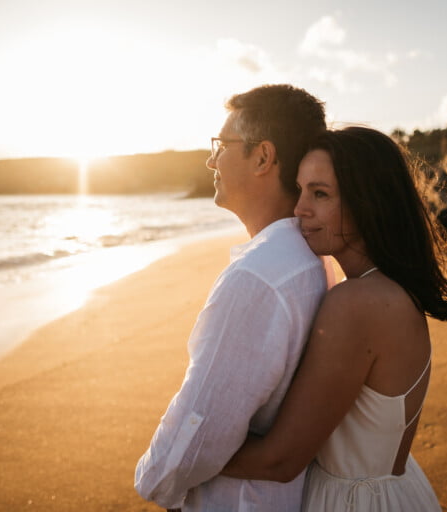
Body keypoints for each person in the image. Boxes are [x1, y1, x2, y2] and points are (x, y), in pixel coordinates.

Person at [220, 126, 447, 511]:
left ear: (368, 202)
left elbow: (279, 461)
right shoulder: (390, 287)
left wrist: (186, 462)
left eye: (320, 194)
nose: (300, 209)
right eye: (300, 190)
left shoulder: (357, 302)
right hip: (394, 488)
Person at [134, 84, 329, 511]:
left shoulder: (257, 278)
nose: (211, 159)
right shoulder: (310, 259)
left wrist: (152, 479)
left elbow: (201, 433)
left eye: (222, 144)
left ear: (262, 157)